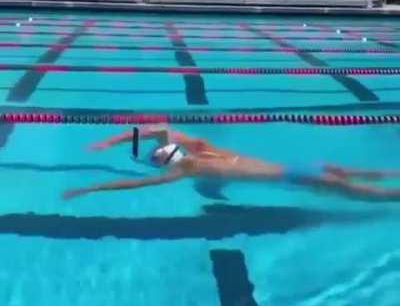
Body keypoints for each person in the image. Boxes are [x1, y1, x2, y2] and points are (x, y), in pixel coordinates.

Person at [63, 125, 400, 201]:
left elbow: (136, 183)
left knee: (367, 193)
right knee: (355, 174)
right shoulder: (208, 150)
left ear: (166, 163)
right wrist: (114, 140)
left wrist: (90, 187)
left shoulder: (188, 168)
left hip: (296, 178)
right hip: (298, 165)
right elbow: (161, 130)